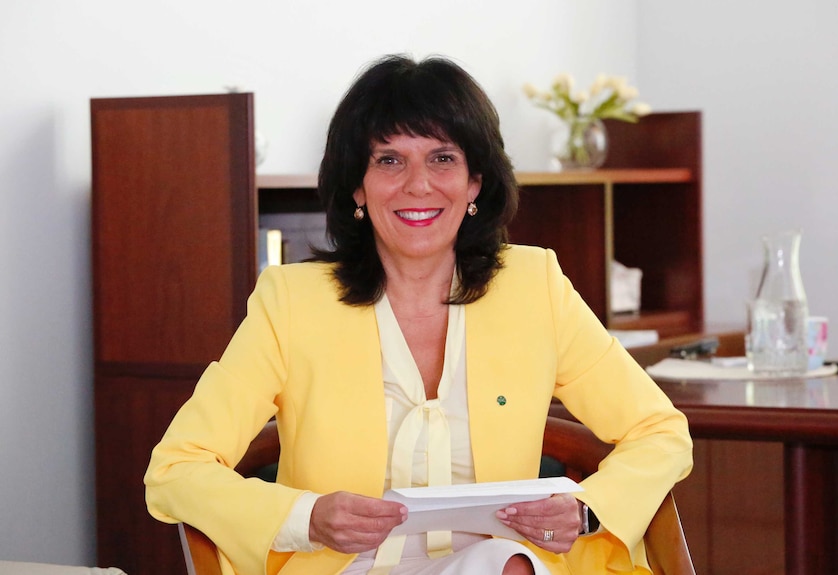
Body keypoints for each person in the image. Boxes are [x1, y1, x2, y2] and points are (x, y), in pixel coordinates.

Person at [144, 54, 692, 575]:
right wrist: (305, 517)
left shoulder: (535, 287)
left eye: (443, 158)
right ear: (357, 186)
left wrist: (587, 508)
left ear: (475, 182)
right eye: (389, 160)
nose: (418, 184)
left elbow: (660, 433)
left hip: (498, 566)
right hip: (344, 568)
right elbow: (175, 471)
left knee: (501, 563)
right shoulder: (291, 301)